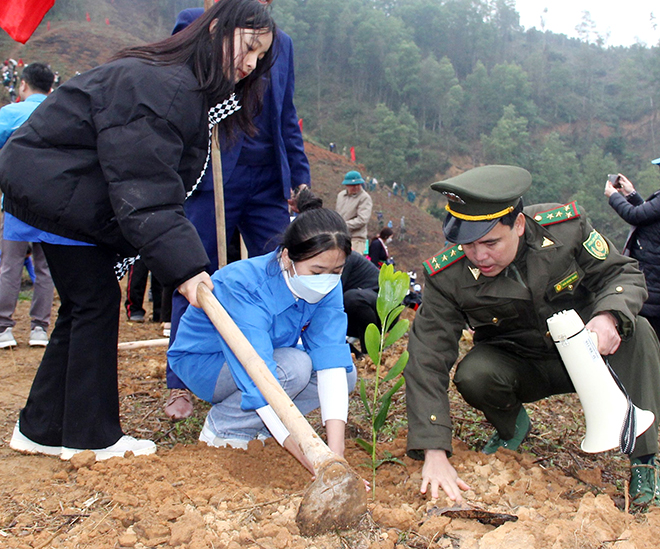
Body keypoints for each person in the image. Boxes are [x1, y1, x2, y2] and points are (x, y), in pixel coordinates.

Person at [1, 0, 276, 461]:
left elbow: (147, 183)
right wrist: (188, 268)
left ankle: (42, 428)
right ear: (214, 30)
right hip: (57, 189)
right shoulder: (164, 88)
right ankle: (91, 437)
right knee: (95, 304)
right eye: (248, 47)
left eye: (260, 57)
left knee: (84, 304)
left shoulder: (178, 85)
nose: (250, 64)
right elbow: (146, 186)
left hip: (65, 192)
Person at [406, 165, 660, 506]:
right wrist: (434, 450)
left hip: (591, 353)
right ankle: (512, 427)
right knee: (474, 375)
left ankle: (644, 462)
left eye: (490, 242)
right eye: (467, 244)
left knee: (638, 330)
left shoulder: (565, 228)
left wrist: (608, 317)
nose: (479, 256)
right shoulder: (446, 275)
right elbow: (427, 356)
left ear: (520, 225)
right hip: (523, 365)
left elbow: (621, 272)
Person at [164, 1, 311, 421]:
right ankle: (181, 381)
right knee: (195, 270)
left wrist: (298, 179)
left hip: (267, 179)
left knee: (279, 269)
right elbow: (180, 87)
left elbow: (287, 115)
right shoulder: (199, 24)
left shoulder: (281, 44)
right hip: (213, 175)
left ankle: (276, 371)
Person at [168, 191, 356, 471]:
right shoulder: (244, 285)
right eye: (316, 271)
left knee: (345, 373)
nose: (327, 280)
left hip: (267, 358)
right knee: (295, 367)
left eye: (336, 271)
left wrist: (336, 457)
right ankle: (226, 427)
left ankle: (265, 425)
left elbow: (330, 358)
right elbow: (258, 373)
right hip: (207, 360)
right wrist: (310, 458)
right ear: (286, 258)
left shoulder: (327, 283)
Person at [0, 63, 56, 349]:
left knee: (9, 265)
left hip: (15, 202)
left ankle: (4, 328)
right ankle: (39, 328)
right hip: (53, 204)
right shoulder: (60, 111)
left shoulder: (9, 114)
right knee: (45, 268)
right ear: (51, 87)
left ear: (23, 84)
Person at [605, 167, 660, 337]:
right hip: (652, 278)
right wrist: (631, 195)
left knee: (648, 336)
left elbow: (635, 216)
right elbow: (649, 214)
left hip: (653, 281)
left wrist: (613, 196)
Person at [341, 250, 380, 356]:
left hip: (381, 308)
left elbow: (333, 294)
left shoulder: (345, 258)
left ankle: (370, 353)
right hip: (358, 314)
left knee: (352, 298)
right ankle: (355, 355)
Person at [336, 170, 372, 255]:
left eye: (358, 184)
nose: (355, 187)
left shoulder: (365, 198)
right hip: (340, 237)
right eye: (352, 185)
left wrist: (343, 225)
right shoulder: (340, 196)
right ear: (346, 185)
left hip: (356, 240)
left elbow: (362, 220)